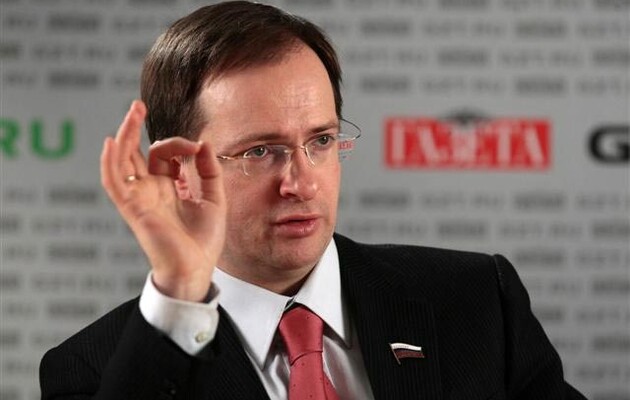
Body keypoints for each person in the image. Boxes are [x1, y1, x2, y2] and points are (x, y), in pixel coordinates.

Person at [39, 2, 588, 399]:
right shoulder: (93, 370)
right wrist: (181, 289)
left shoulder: (476, 301)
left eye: (320, 141)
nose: (300, 183)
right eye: (260, 152)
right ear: (180, 170)